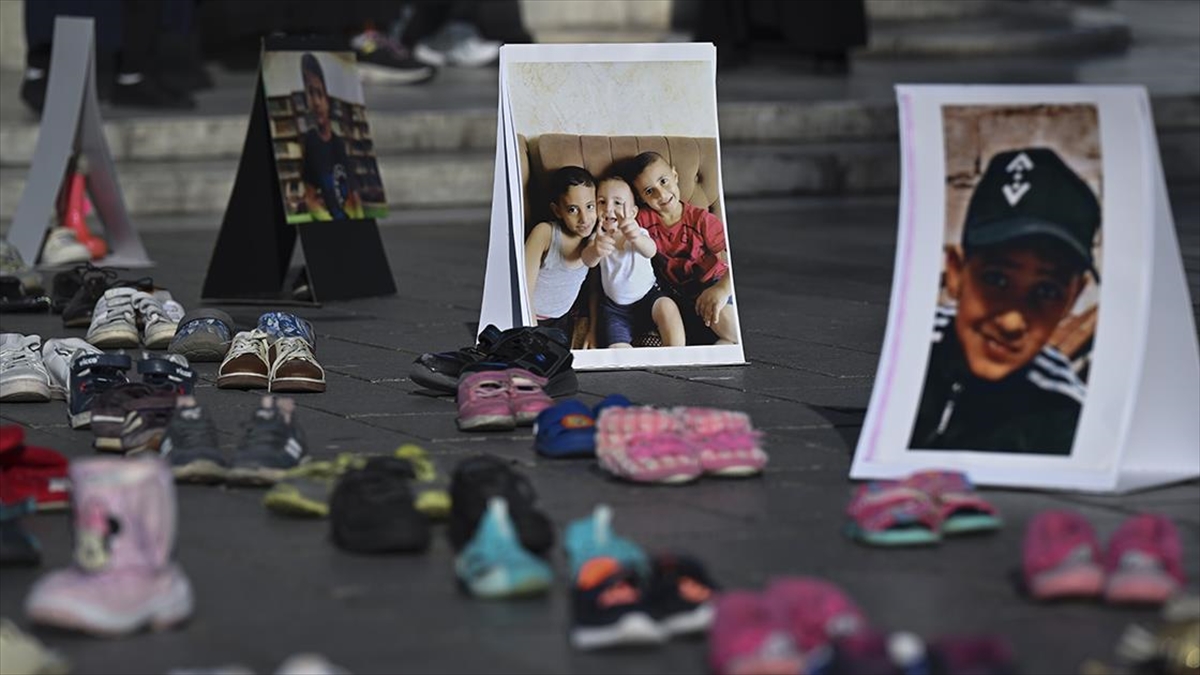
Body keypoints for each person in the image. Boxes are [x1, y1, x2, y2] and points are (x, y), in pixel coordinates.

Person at [909, 147, 1101, 455]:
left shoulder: (1064, 414)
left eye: (1047, 292)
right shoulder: (912, 351)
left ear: (1072, 298)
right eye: (996, 279)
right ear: (957, 273)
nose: (1012, 321)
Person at [628, 151, 739, 346]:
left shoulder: (701, 220)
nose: (661, 195)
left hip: (712, 286)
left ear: (675, 175)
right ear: (641, 198)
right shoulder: (642, 221)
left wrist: (721, 289)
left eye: (663, 181)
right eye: (649, 191)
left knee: (727, 326)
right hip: (676, 298)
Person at [583, 174, 684, 349]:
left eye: (617, 203)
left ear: (632, 212)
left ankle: (676, 352)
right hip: (615, 310)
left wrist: (636, 237)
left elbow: (651, 251)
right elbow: (587, 260)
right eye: (601, 202)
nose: (609, 208)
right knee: (616, 350)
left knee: (668, 307)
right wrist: (595, 251)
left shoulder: (639, 233)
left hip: (649, 297)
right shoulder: (597, 238)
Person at [524, 166, 598, 338]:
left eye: (590, 206)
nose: (584, 219)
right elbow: (523, 290)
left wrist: (592, 325)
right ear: (558, 210)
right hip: (533, 317)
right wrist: (531, 331)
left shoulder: (595, 237)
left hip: (563, 317)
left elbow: (594, 286)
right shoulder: (545, 233)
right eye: (573, 209)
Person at [299, 53, 364, 221]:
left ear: (328, 99)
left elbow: (352, 192)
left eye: (320, 94)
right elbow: (310, 197)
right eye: (310, 93)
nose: (316, 102)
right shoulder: (311, 141)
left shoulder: (339, 143)